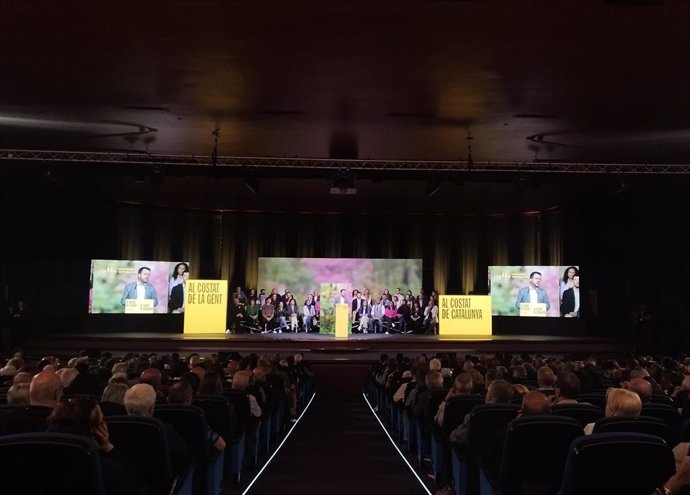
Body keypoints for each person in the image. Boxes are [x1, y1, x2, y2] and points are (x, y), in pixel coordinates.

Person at [47, 398, 141, 495]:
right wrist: (109, 448)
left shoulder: (42, 464)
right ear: (96, 430)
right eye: (102, 421)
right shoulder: (105, 470)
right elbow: (134, 482)